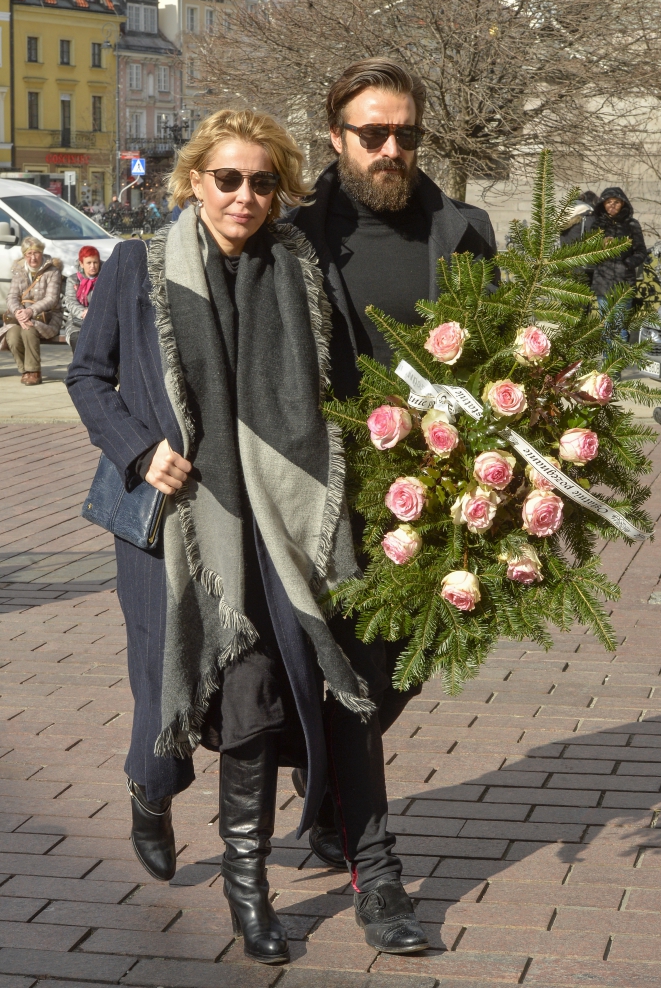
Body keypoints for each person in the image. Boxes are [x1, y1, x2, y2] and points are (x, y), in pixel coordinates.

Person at [66, 108, 429, 965]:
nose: (245, 196)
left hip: (283, 524)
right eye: (227, 178)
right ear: (194, 180)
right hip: (179, 525)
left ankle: (248, 890)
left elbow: (343, 381)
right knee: (164, 696)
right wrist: (138, 448)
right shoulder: (139, 264)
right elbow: (87, 375)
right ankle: (149, 787)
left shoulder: (297, 268)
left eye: (263, 182)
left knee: (253, 699)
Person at [288, 57, 497, 865]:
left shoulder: (464, 230)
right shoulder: (296, 235)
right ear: (335, 136)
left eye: (405, 134)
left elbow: (493, 349)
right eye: (372, 133)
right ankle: (369, 856)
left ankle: (326, 784)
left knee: (414, 656)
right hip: (334, 486)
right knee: (358, 662)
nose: (391, 149)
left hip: (440, 484)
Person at [2, 236, 63, 385]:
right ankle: (25, 370)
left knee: (28, 331)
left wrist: (30, 311)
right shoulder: (19, 270)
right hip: (21, 317)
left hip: (47, 317)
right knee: (12, 335)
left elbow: (51, 299)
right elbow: (12, 296)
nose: (33, 258)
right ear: (24, 255)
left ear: (41, 253)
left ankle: (34, 371)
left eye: (36, 253)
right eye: (29, 254)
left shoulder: (52, 271)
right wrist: (18, 312)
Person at [588, 187, 648, 302]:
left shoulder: (631, 224)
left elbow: (641, 251)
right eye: (608, 202)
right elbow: (587, 252)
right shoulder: (597, 225)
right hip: (603, 280)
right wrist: (600, 245)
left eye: (616, 202)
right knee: (605, 314)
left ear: (623, 203)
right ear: (603, 204)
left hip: (625, 280)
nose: (612, 205)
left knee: (621, 314)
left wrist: (627, 264)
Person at [64, 246, 101, 354]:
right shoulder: (73, 279)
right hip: (77, 322)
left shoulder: (106, 278)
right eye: (89, 263)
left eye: (95, 262)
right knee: (77, 339)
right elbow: (70, 301)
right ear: (81, 264)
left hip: (100, 320)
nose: (92, 266)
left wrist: (94, 313)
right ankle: (80, 364)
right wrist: (83, 312)